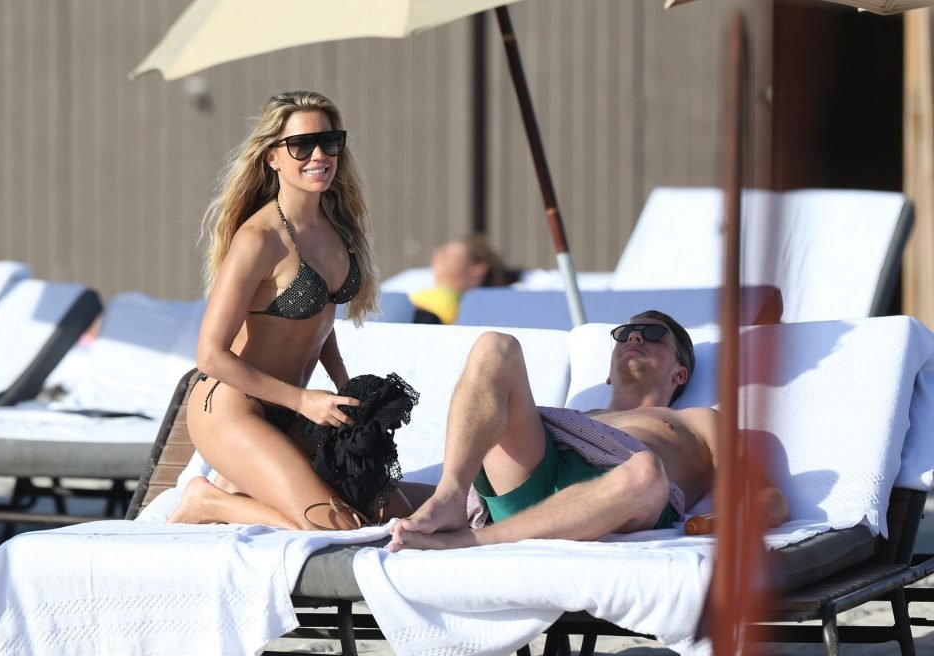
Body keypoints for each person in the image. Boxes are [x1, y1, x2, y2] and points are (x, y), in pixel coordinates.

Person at [169, 90, 417, 530]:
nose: (319, 155)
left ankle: (244, 487)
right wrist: (303, 400)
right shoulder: (259, 239)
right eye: (301, 145)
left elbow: (317, 319)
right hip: (233, 407)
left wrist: (343, 386)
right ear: (272, 157)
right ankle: (209, 501)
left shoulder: (337, 228)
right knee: (338, 525)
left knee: (392, 516)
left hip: (293, 410)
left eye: (329, 142)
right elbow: (209, 355)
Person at [390, 310, 790, 551]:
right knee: (496, 345)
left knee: (645, 470)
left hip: (622, 495)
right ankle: (451, 494)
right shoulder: (578, 418)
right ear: (608, 374)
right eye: (625, 334)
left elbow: (769, 497)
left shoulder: (699, 420)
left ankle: (473, 541)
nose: (635, 336)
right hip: (538, 472)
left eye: (653, 335)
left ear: (680, 373)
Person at [409, 235, 520, 324]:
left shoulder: (470, 309)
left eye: (447, 253)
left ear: (476, 270)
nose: (437, 253)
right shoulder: (419, 294)